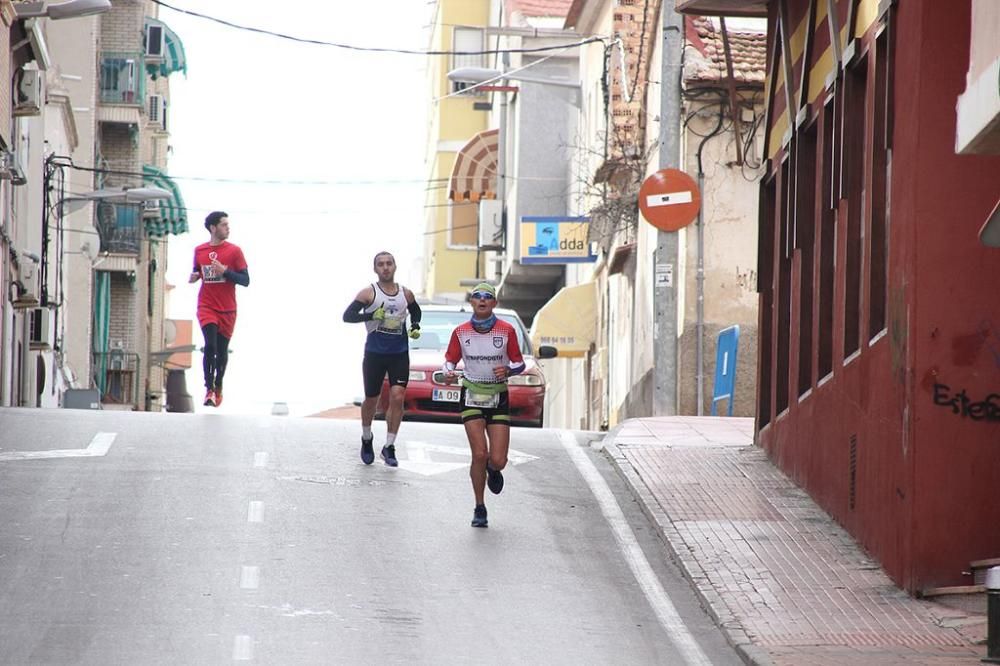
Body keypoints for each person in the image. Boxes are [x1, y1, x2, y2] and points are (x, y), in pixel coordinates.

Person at [442, 283, 525, 528]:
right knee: (479, 453)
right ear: (471, 303)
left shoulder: (506, 330)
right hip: (472, 393)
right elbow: (449, 360)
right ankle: (480, 506)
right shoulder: (461, 332)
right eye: (477, 297)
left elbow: (520, 363)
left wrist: (508, 369)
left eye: (487, 297)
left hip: (498, 395)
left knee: (497, 459)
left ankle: (493, 468)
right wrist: (448, 371)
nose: (482, 300)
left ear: (494, 304)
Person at [342, 251, 421, 467]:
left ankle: (389, 446)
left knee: (397, 396)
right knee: (371, 399)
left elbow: (416, 311)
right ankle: (367, 438)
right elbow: (347, 316)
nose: (385, 267)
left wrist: (415, 326)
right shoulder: (369, 293)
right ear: (375, 269)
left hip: (399, 353)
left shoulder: (406, 293)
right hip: (375, 353)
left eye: (389, 264)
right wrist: (370, 315)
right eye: (381, 264)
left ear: (395, 267)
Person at [188, 211, 249, 408]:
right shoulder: (200, 250)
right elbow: (198, 269)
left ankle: (219, 384)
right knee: (210, 346)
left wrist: (226, 272)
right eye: (223, 224)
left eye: (227, 224)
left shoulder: (235, 251)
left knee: (222, 351)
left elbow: (245, 280)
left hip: (228, 309)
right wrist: (195, 276)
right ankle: (209, 389)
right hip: (206, 305)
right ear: (213, 228)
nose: (227, 228)